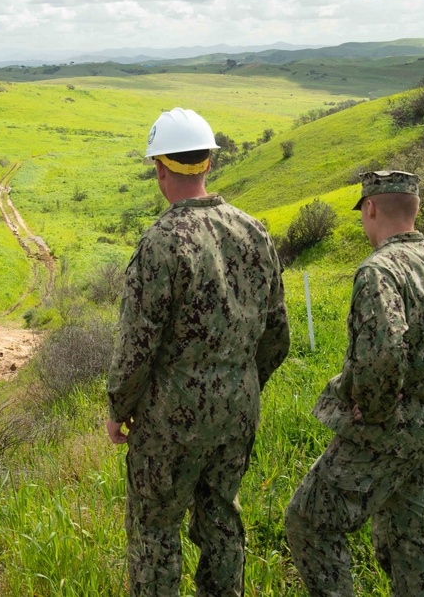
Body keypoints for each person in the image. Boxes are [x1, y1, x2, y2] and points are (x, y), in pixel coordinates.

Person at [284, 171, 424, 596]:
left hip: (388, 428)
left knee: (310, 522)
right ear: (416, 210)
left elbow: (384, 351)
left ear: (369, 208)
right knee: (410, 538)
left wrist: (373, 410)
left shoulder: (379, 270)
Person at [106, 107, 290, 595]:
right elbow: (277, 335)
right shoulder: (255, 232)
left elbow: (136, 346)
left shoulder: (161, 242)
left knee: (154, 531)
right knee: (222, 520)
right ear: (209, 162)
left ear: (161, 169)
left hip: (172, 416)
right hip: (238, 407)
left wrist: (118, 408)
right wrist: (241, 383)